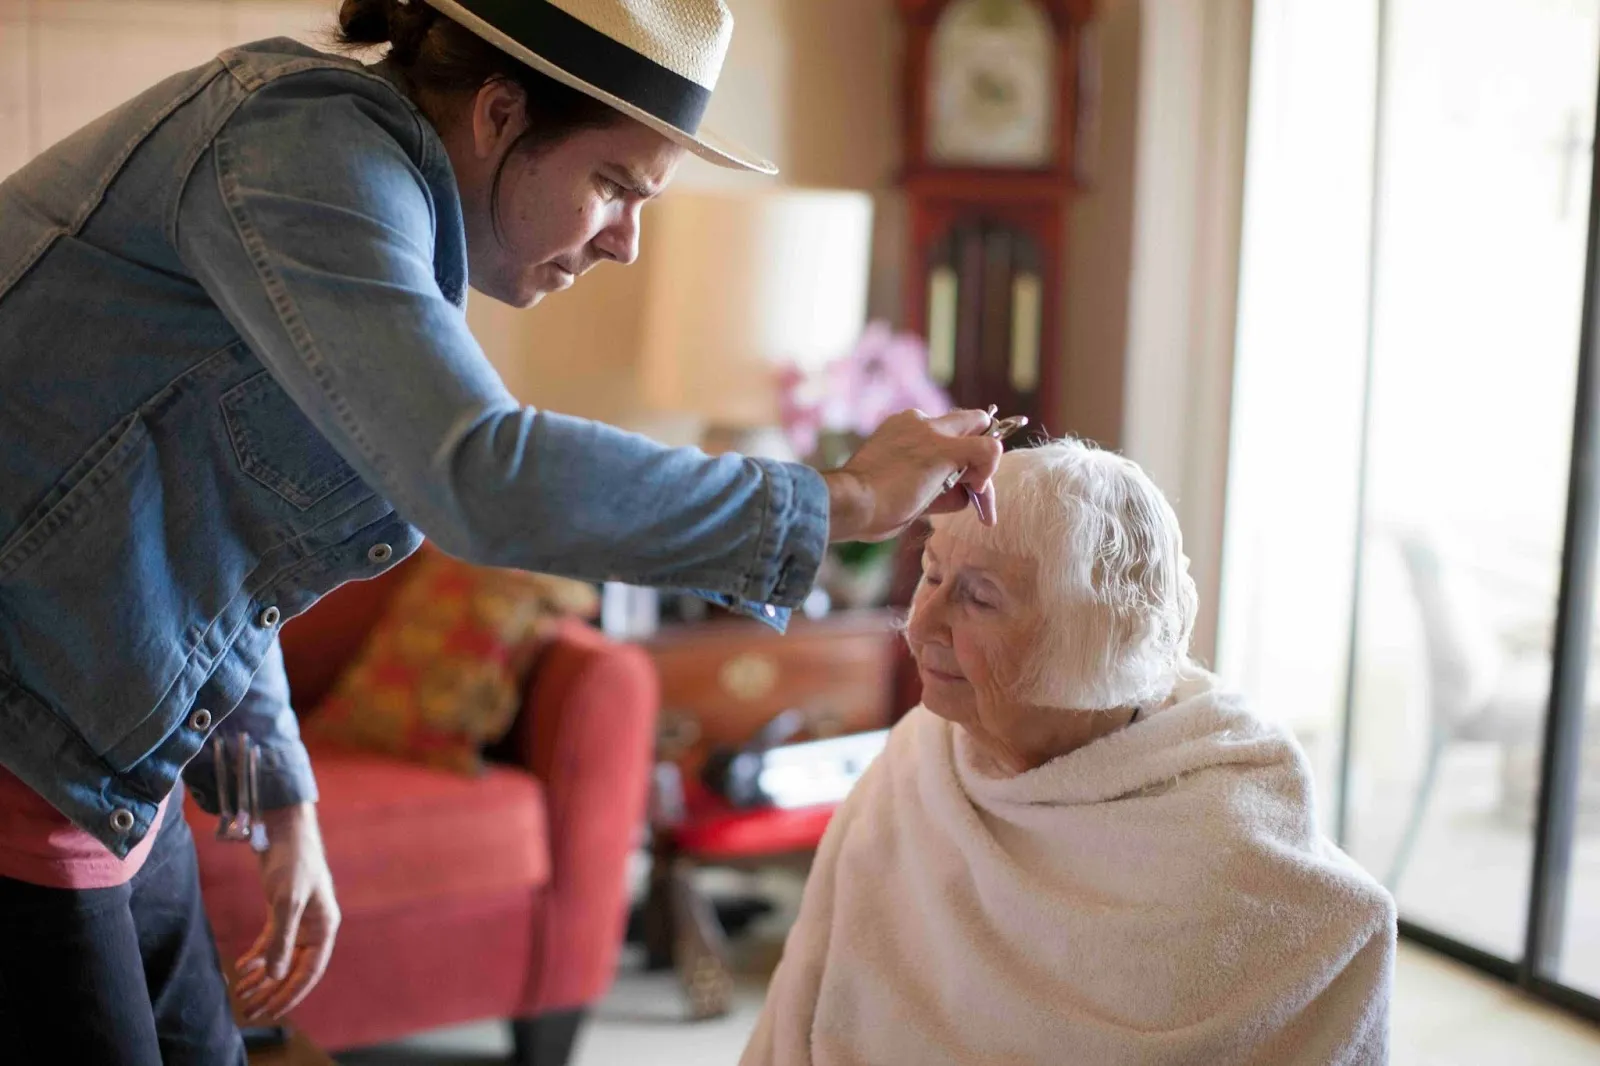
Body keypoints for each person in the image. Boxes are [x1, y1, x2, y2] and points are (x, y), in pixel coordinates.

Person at [0, 1, 1007, 1062]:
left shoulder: (373, 197)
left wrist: (282, 799)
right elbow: (482, 473)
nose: (625, 242)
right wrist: (842, 499)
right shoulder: (298, 150)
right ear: (498, 114)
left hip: (102, 754)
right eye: (614, 185)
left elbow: (219, 539)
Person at [742, 440, 1398, 1066]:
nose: (921, 623)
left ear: (1093, 641)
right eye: (932, 574)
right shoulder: (919, 753)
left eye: (979, 597)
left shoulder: (1228, 836)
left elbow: (1344, 929)